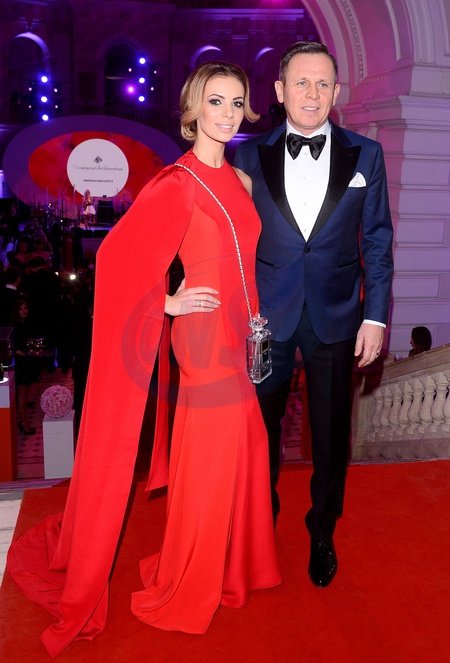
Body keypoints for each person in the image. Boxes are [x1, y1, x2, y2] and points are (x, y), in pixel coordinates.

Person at [7, 61, 281, 657]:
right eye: (216, 101)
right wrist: (167, 301)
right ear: (193, 108)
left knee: (245, 448)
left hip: (241, 332)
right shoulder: (177, 183)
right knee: (215, 457)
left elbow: (243, 258)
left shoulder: (241, 178)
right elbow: (115, 260)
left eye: (237, 102)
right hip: (203, 337)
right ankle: (187, 581)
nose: (228, 113)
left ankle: (228, 566)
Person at [235, 41, 394, 588]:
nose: (312, 93)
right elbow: (228, 240)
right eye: (301, 82)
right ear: (280, 91)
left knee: (331, 438)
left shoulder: (366, 155)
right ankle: (261, 520)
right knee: (258, 433)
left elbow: (377, 241)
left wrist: (375, 317)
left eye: (323, 83)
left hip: (338, 317)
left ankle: (322, 531)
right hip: (266, 320)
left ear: (337, 91)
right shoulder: (246, 157)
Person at [8, 299, 38, 434]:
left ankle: (24, 422)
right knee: (22, 395)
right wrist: (28, 355)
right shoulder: (16, 326)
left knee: (26, 394)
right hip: (21, 363)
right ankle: (24, 423)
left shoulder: (25, 324)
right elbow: (14, 348)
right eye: (21, 309)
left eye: (25, 308)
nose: (24, 311)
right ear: (16, 311)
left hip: (26, 361)